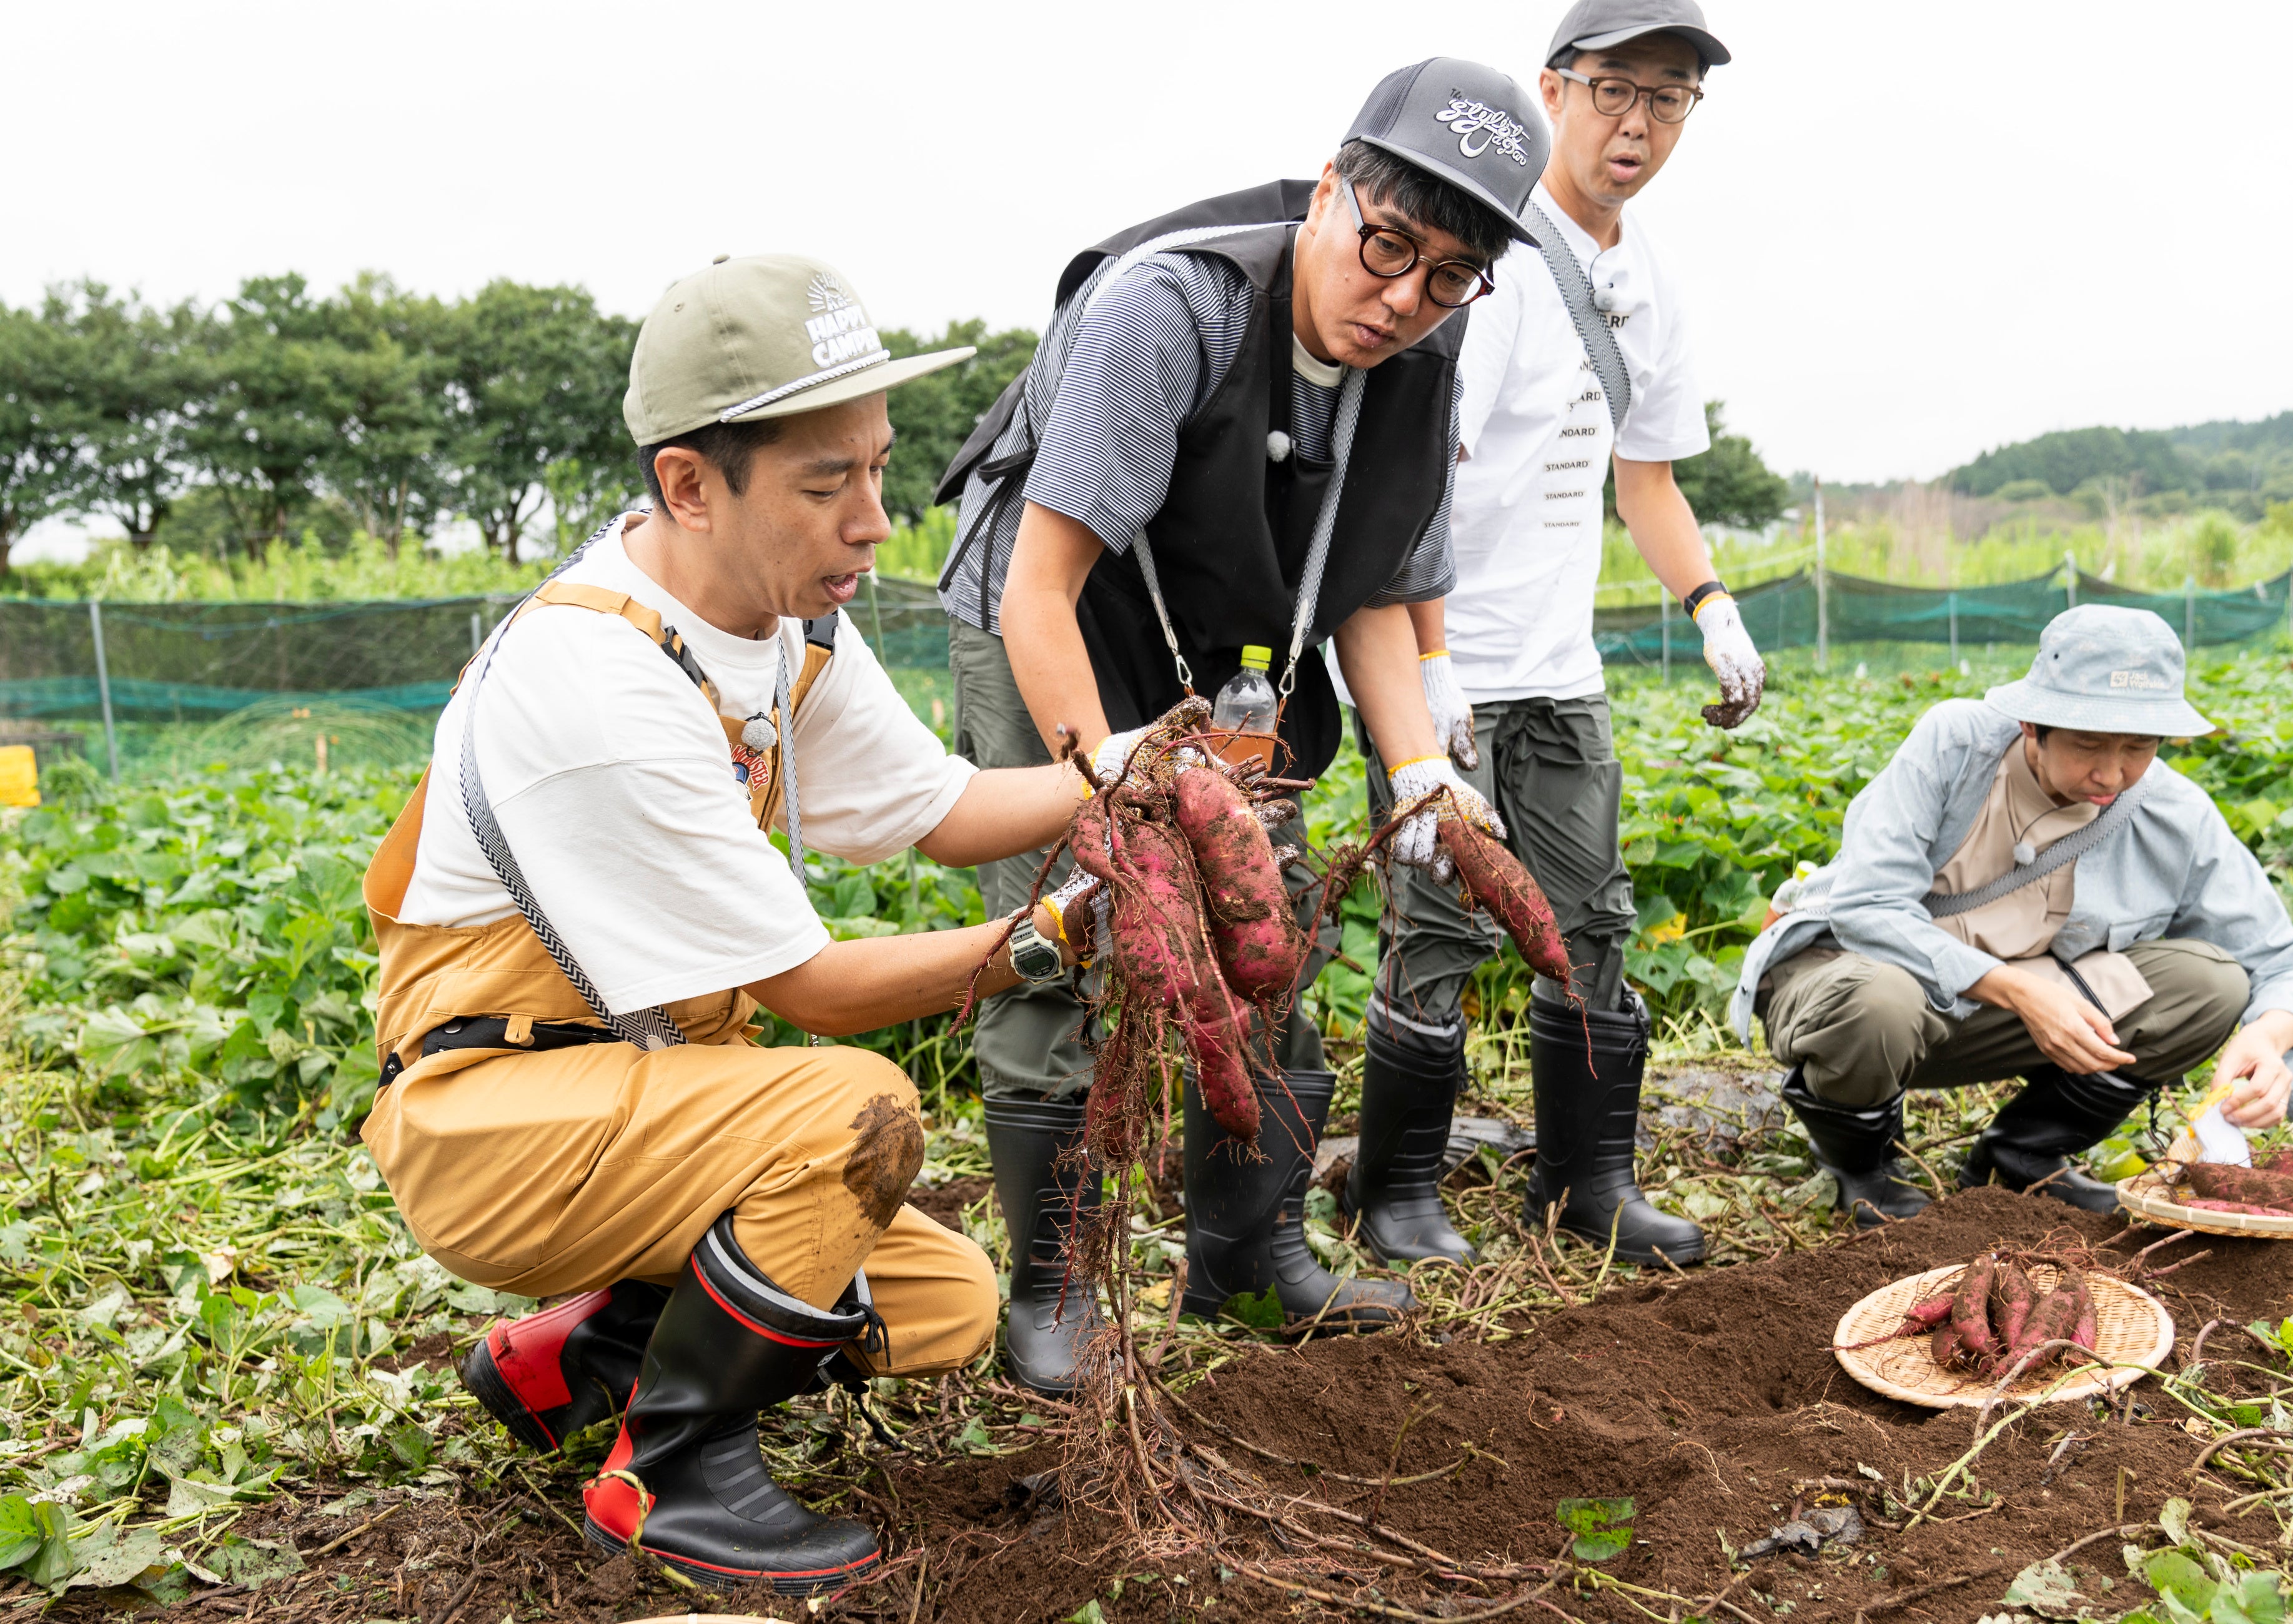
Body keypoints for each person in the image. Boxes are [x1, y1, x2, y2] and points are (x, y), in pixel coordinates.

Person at [359, 254, 1106, 1593]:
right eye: (827, 485)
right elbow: (815, 991)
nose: (873, 521)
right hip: (493, 1115)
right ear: (690, 485)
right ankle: (671, 1479)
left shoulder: (783, 624)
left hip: (647, 1091)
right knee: (853, 1109)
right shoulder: (597, 674)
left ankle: (581, 1357)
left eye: (879, 469)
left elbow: (941, 808)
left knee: (943, 1304)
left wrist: (1134, 772)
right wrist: (1047, 940)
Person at [931, 59, 1551, 1392]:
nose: (1406, 298)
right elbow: (1042, 587)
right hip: (1056, 619)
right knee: (1068, 935)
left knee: (1266, 933)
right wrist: (1106, 783)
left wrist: (1419, 768)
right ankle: (1051, 1293)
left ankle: (1248, 1253)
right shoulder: (1170, 310)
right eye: (1388, 245)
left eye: (1453, 276)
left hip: (1229, 640)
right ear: (1329, 193)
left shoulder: (1426, 355)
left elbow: (1373, 583)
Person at [1346, 0, 1764, 1272]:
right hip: (1438, 666)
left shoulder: (1650, 285)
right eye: (1613, 90)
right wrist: (1432, 668)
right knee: (1440, 922)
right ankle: (1395, 1194)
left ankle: (1588, 1186)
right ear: (1555, 90)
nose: (1637, 123)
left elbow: (1650, 480)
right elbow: (1413, 482)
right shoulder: (1490, 266)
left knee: (1592, 922)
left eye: (1668, 98)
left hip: (1559, 673)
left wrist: (1712, 604)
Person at [1732, 606, 2293, 1222]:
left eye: (2139, 747)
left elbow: (2280, 959)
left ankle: (2021, 1157)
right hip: (1859, 986)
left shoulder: (2173, 811)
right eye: (2088, 744)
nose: (2112, 772)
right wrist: (2015, 988)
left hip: (1995, 1015)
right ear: (2032, 725)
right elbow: (1867, 904)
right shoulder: (1957, 746)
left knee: (2209, 984)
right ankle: (1862, 1165)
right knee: (1878, 1002)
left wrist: (2270, 1035)